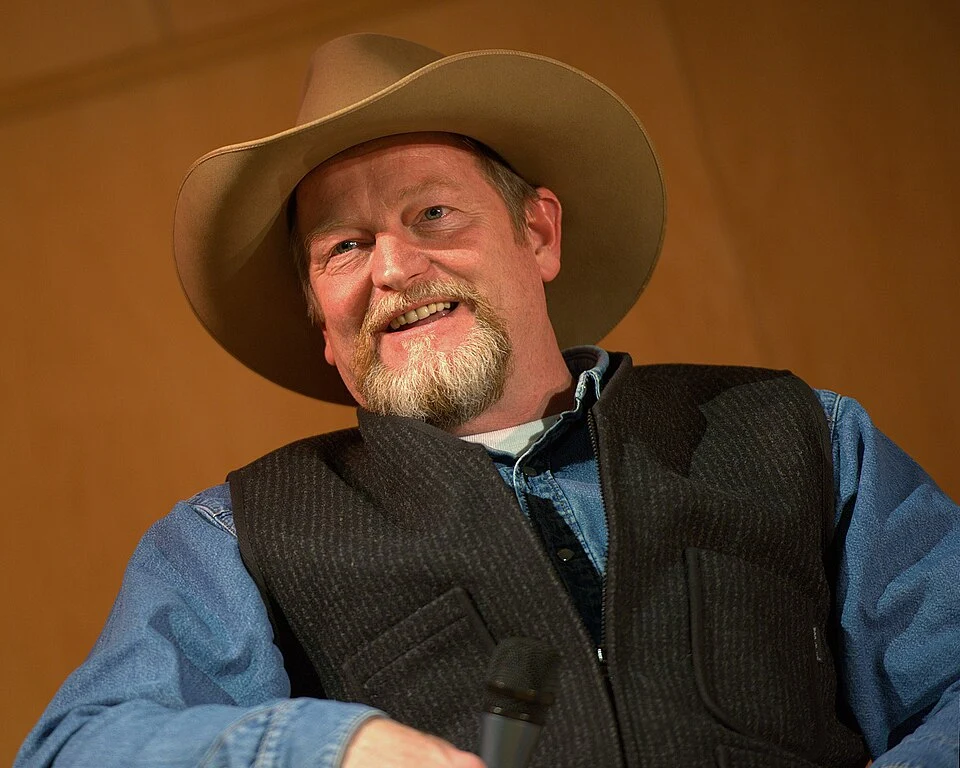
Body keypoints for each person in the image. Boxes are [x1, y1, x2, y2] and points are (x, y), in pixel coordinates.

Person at [16, 33, 959, 768]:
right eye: (342, 247)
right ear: (323, 326)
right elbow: (74, 749)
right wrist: (332, 750)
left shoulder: (807, 436)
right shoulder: (229, 537)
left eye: (432, 214)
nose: (392, 268)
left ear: (537, 234)